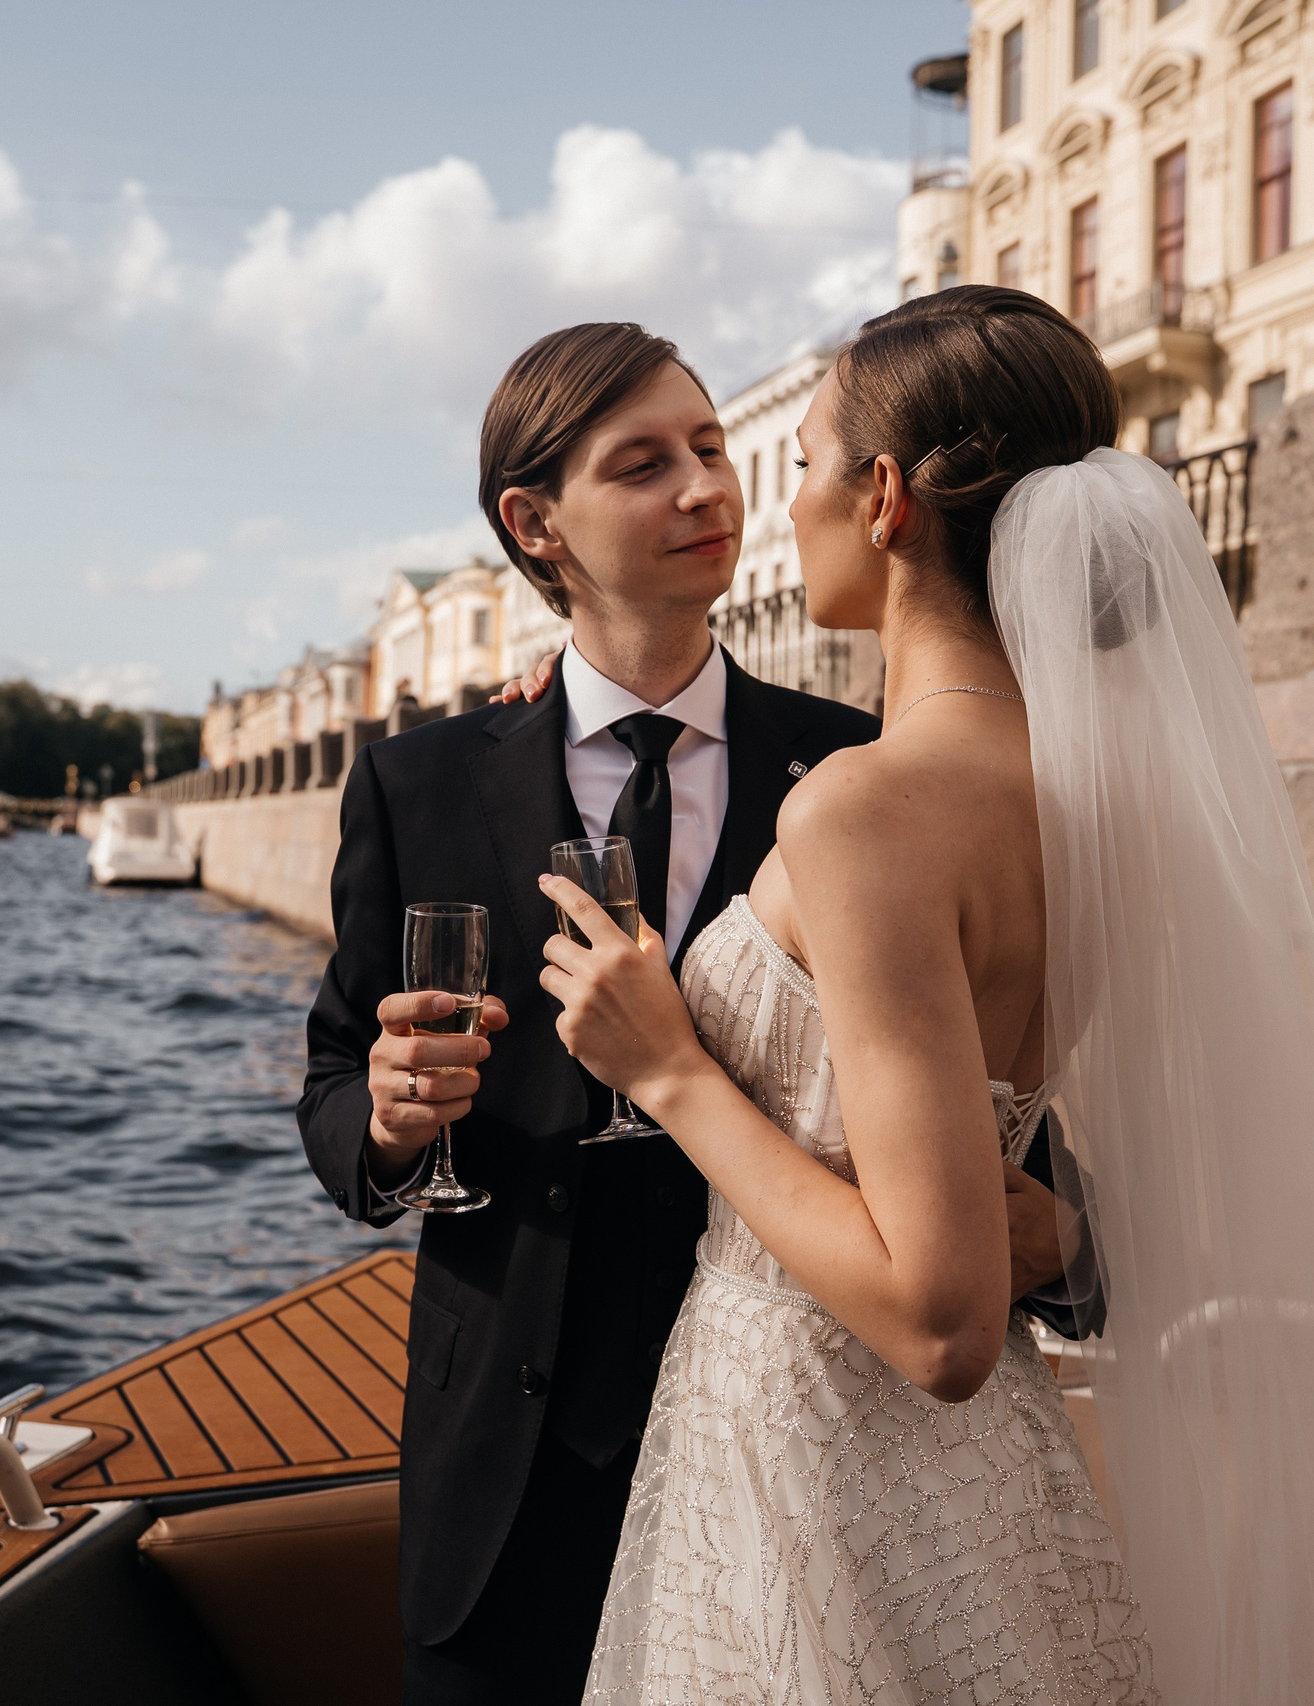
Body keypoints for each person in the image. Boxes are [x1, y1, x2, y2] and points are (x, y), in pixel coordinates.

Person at [540, 288, 1314, 1705]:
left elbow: (939, 1319)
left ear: (883, 496)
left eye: (807, 461)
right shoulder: (1108, 812)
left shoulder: (864, 810)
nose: (788, 503)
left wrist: (670, 1069)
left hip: (812, 1454)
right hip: (991, 1474)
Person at [296, 321, 1083, 1706]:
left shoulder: (861, 772)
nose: (709, 490)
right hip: (508, 1477)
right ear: (535, 525)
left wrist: (1070, 1238)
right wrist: (390, 1118)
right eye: (646, 463)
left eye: (718, 448)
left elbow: (1007, 1152)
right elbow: (333, 1088)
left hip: (804, 1464)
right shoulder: (416, 785)